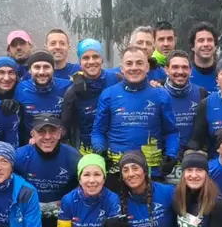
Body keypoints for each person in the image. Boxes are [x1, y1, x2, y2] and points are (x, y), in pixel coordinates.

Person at [92, 45, 178, 185]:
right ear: (122, 68)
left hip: (152, 172)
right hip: (117, 172)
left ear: (147, 67)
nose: (134, 68)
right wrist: (100, 151)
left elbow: (171, 131)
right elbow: (98, 131)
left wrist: (171, 155)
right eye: (129, 63)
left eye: (139, 63)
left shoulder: (161, 95)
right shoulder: (108, 94)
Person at [14, 114, 81, 227]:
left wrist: (67, 202)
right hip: (31, 212)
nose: (47, 137)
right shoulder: (20, 155)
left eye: (52, 131)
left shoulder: (73, 156)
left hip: (62, 211)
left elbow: (84, 186)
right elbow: (3, 177)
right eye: (41, 132)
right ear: (33, 135)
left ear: (60, 133)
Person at [60, 39, 119, 154]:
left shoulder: (116, 79)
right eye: (86, 58)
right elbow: (65, 126)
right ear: (80, 62)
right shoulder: (73, 91)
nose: (91, 61)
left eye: (95, 56)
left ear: (102, 59)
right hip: (87, 150)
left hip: (116, 147)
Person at [162, 50, 207, 183]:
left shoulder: (201, 92)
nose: (180, 71)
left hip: (192, 159)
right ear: (166, 70)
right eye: (175, 67)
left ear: (190, 70)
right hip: (165, 160)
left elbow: (204, 128)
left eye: (184, 67)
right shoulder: (157, 92)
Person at [14, 50, 72, 144]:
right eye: (37, 67)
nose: (41, 72)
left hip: (61, 141)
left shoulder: (67, 86)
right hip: (31, 142)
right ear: (30, 70)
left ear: (53, 69)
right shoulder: (21, 88)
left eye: (46, 67)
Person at [188, 22, 220, 92]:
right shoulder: (184, 74)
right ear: (192, 46)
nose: (206, 44)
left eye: (210, 40)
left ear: (215, 46)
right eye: (201, 40)